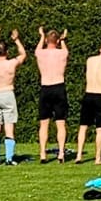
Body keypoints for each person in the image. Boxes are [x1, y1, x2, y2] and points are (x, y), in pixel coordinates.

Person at [0, 27, 27, 165]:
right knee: (9, 127)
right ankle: (9, 158)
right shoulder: (11, 63)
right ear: (7, 52)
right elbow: (23, 54)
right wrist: (16, 40)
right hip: (8, 93)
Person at [75, 39, 101, 165]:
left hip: (88, 94)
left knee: (83, 127)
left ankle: (78, 156)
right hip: (100, 96)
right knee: (100, 129)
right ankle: (98, 158)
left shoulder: (90, 60)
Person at [34, 27, 70, 163]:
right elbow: (65, 50)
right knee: (60, 123)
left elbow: (37, 49)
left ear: (46, 40)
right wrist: (63, 40)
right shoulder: (62, 53)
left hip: (46, 88)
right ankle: (61, 153)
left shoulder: (40, 53)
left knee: (44, 124)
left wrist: (41, 36)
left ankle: (43, 153)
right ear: (58, 41)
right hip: (59, 87)